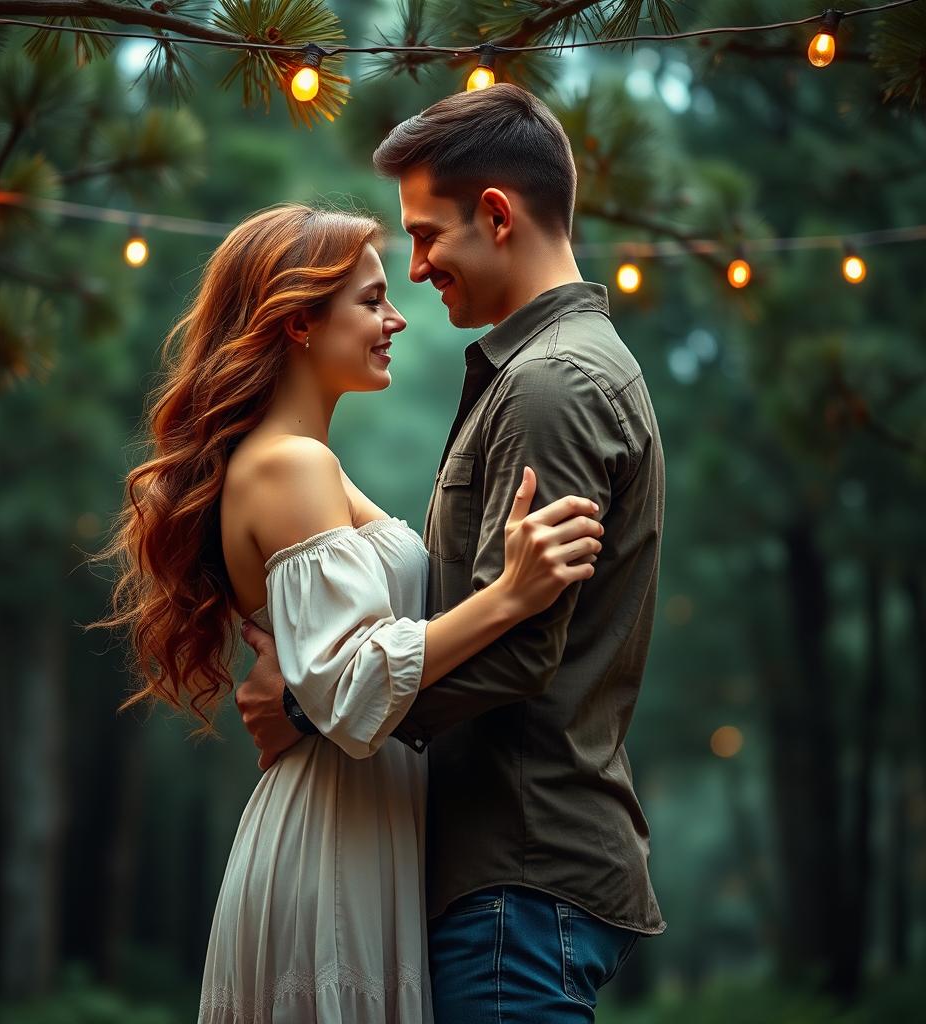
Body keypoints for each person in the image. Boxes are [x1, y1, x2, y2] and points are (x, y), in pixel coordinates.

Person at [95, 201, 605, 1023]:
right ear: (298, 321)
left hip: (355, 826)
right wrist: (511, 596)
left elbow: (339, 660)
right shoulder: (290, 466)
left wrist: (300, 694)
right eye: (371, 301)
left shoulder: (309, 463)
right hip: (332, 839)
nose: (397, 316)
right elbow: (354, 680)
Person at [237, 85, 666, 1023]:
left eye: (428, 237)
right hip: (498, 874)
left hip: (518, 871)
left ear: (499, 216)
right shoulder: (539, 374)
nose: (420, 267)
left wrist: (314, 716)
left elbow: (523, 647)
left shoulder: (552, 385)